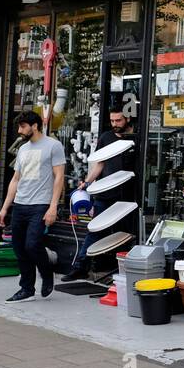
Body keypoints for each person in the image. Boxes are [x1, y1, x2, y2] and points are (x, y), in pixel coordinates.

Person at [0, 111, 66, 302]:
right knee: (19, 248)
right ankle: (27, 289)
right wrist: (4, 208)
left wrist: (53, 207)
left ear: (35, 126)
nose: (20, 130)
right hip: (20, 204)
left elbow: (59, 177)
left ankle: (46, 272)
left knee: (32, 244)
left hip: (41, 204)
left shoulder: (53, 145)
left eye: (23, 126)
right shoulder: (22, 149)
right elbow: (15, 180)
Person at [64, 107, 135, 280]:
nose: (115, 124)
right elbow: (100, 163)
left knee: (126, 233)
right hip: (105, 193)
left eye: (118, 120)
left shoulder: (136, 138)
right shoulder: (106, 137)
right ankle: (81, 266)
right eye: (112, 121)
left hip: (127, 195)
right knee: (95, 230)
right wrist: (87, 182)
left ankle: (124, 271)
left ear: (127, 119)